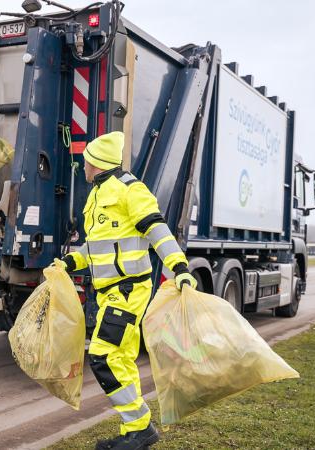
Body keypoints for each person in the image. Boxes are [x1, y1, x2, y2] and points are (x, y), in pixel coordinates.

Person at [52, 131, 196, 449]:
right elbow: (97, 249)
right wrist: (69, 263)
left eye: (87, 159)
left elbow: (158, 231)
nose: (83, 164)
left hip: (128, 290)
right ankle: (136, 430)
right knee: (121, 359)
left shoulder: (131, 190)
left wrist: (180, 268)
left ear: (98, 163)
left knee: (103, 356)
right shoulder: (96, 195)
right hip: (109, 292)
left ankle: (140, 429)